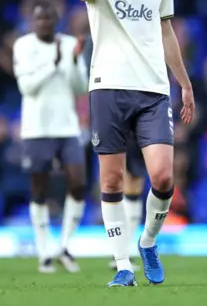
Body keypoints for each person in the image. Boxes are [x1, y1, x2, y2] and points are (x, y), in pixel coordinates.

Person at [68, 0, 195, 288]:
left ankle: (148, 242)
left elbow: (167, 33)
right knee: (111, 182)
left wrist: (184, 83)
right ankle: (123, 266)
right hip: (107, 87)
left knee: (163, 177)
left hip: (154, 88)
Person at [12, 1, 88, 274]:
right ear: (33, 22)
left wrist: (76, 60)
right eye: (39, 19)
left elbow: (81, 87)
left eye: (48, 18)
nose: (43, 23)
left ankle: (64, 246)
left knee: (78, 184)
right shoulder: (23, 46)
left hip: (67, 127)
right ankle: (44, 250)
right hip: (36, 129)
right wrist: (53, 64)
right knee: (39, 189)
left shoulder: (69, 44)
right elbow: (26, 87)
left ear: (57, 20)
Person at [82, 35, 145, 271]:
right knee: (113, 179)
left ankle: (125, 250)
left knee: (135, 180)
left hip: (139, 105)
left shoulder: (137, 25)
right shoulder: (99, 34)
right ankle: (119, 251)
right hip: (112, 107)